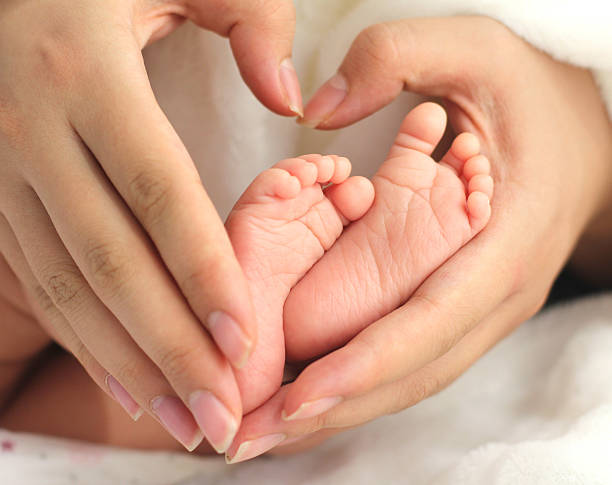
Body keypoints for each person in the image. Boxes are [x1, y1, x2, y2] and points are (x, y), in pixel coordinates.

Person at [1, 0, 611, 464]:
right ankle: (276, 333)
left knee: (69, 362)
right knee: (145, 374)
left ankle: (247, 341)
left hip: (128, 104)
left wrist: (586, 151)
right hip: (60, 123)